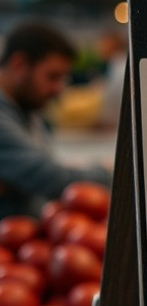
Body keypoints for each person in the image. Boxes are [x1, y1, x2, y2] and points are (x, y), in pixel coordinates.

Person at [0, 21, 111, 218]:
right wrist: (114, 171)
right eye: (52, 77)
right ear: (19, 64)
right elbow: (48, 177)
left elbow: (42, 170)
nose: (59, 89)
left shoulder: (28, 109)